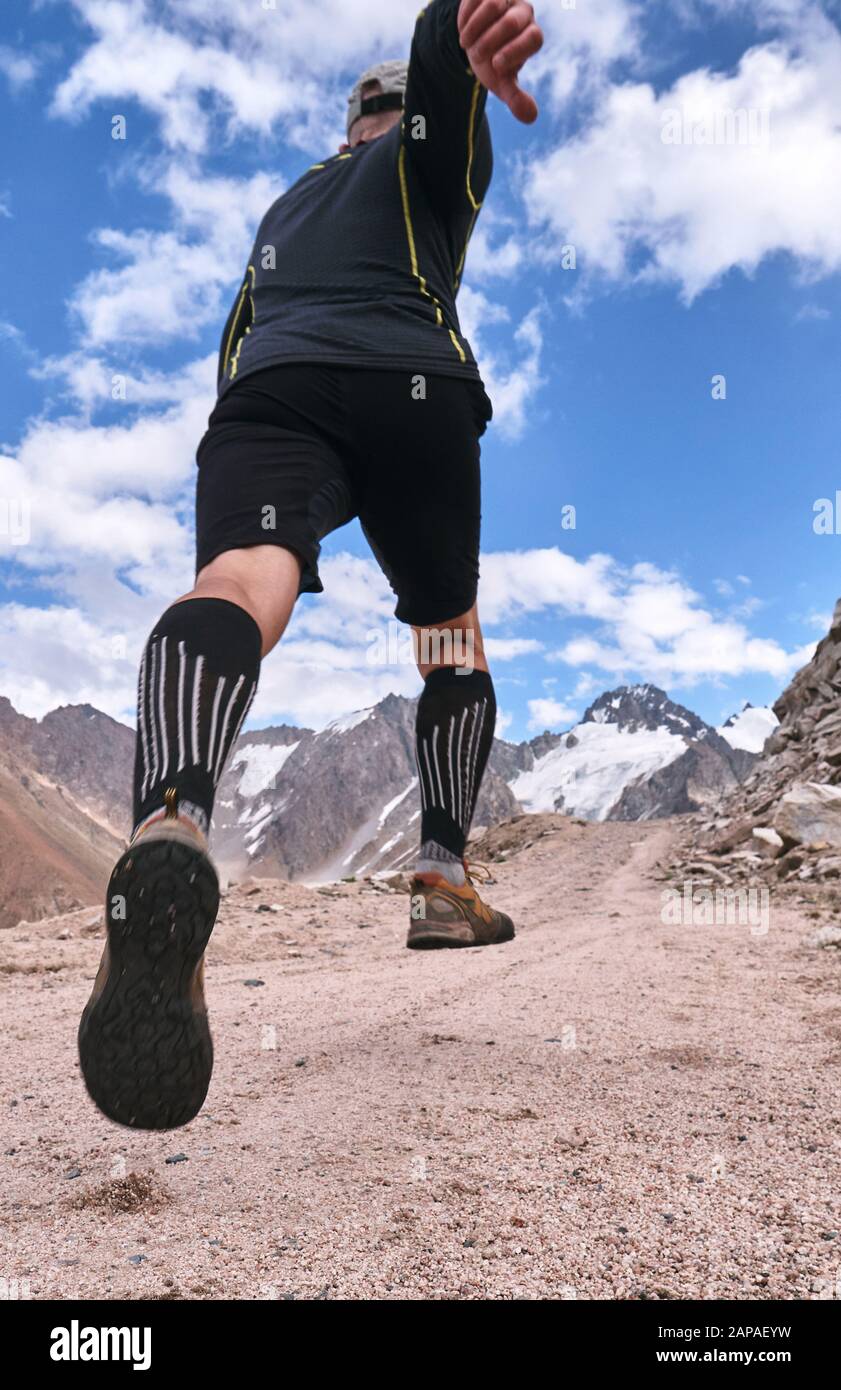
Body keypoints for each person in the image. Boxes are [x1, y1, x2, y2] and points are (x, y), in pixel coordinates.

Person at [78, 0, 544, 1130]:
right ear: (399, 124)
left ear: (347, 125)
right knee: (448, 637)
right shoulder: (423, 164)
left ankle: (172, 819)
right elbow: (442, 77)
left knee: (239, 581)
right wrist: (455, 38)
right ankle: (441, 870)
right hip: (415, 385)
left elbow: (236, 341)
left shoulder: (287, 203)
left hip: (271, 393)